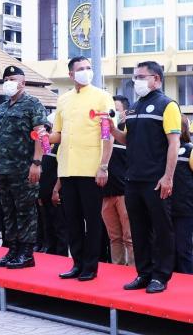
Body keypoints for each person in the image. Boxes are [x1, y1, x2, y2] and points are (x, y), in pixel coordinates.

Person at [111, 61, 181, 293]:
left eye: (141, 77)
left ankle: (160, 276)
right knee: (139, 229)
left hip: (156, 180)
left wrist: (168, 177)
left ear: (156, 79)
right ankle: (143, 273)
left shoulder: (167, 105)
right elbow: (127, 140)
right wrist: (111, 129)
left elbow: (174, 144)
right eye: (135, 77)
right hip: (133, 179)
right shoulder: (133, 108)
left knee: (161, 229)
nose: (136, 81)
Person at [50, 56, 115, 281]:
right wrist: (43, 136)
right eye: (80, 69)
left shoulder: (102, 96)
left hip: (91, 168)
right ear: (71, 74)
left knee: (92, 220)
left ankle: (91, 266)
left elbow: (107, 135)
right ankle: (77, 263)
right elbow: (58, 134)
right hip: (67, 167)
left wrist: (103, 166)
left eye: (88, 67)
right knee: (72, 219)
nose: (86, 71)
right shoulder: (63, 99)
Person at [0, 65, 47, 269]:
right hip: (3, 169)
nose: (9, 82)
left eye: (13, 79)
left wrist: (37, 162)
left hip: (24, 168)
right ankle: (12, 249)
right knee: (8, 211)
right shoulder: (2, 107)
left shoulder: (33, 104)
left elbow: (41, 134)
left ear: (23, 83)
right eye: (6, 79)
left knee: (25, 211)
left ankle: (26, 253)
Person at [102, 95, 134, 266]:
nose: (111, 113)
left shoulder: (128, 135)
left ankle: (135, 270)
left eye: (115, 110)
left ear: (124, 112)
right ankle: (117, 269)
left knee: (130, 238)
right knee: (114, 238)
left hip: (124, 193)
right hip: (106, 193)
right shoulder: (103, 133)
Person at [171, 115, 193, 274]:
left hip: (185, 208)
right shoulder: (163, 150)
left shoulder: (190, 149)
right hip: (165, 207)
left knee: (183, 250)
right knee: (168, 251)